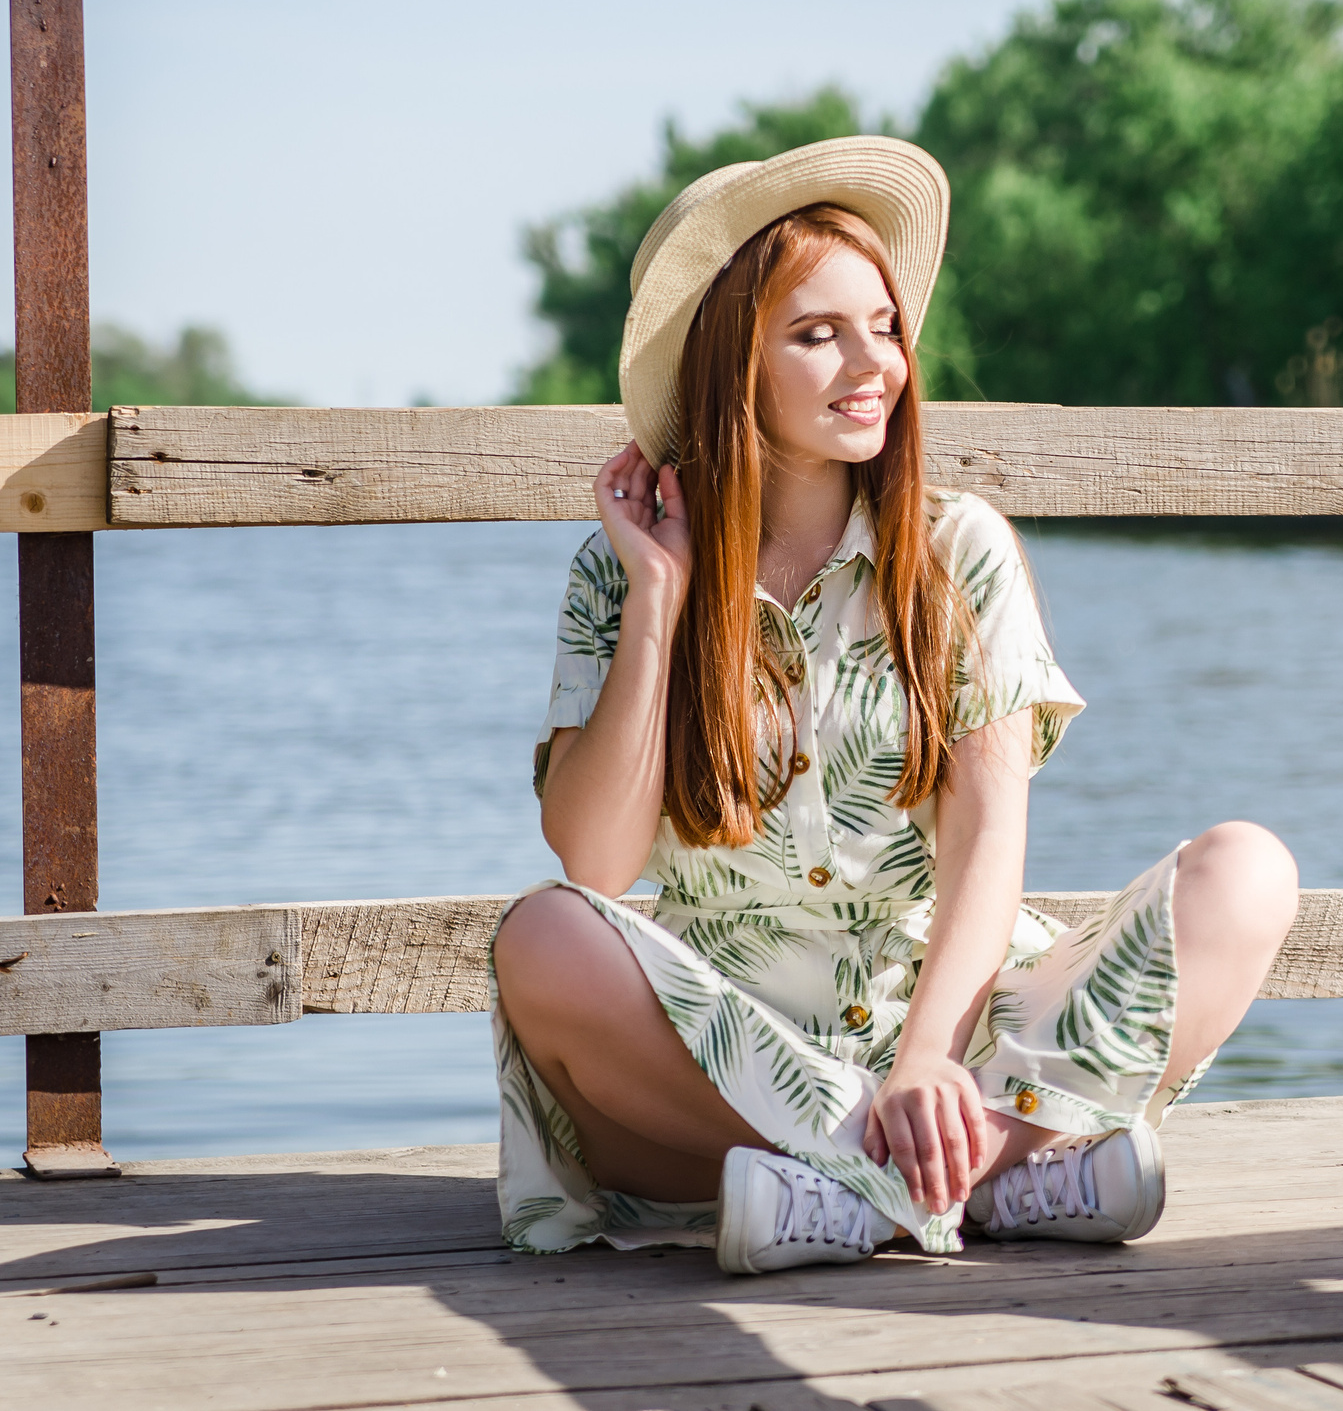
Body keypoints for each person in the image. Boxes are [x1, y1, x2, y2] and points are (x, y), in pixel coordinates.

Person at [490, 136, 1299, 1274]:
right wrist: (661, 599)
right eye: (817, 334)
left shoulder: (956, 550)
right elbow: (593, 858)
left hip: (952, 1024)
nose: (870, 362)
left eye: (883, 327)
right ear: (732, 362)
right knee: (541, 936)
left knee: (1246, 868)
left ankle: (859, 1192)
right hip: (721, 1053)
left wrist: (925, 1059)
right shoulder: (621, 571)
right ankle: (1001, 1178)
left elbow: (985, 839)